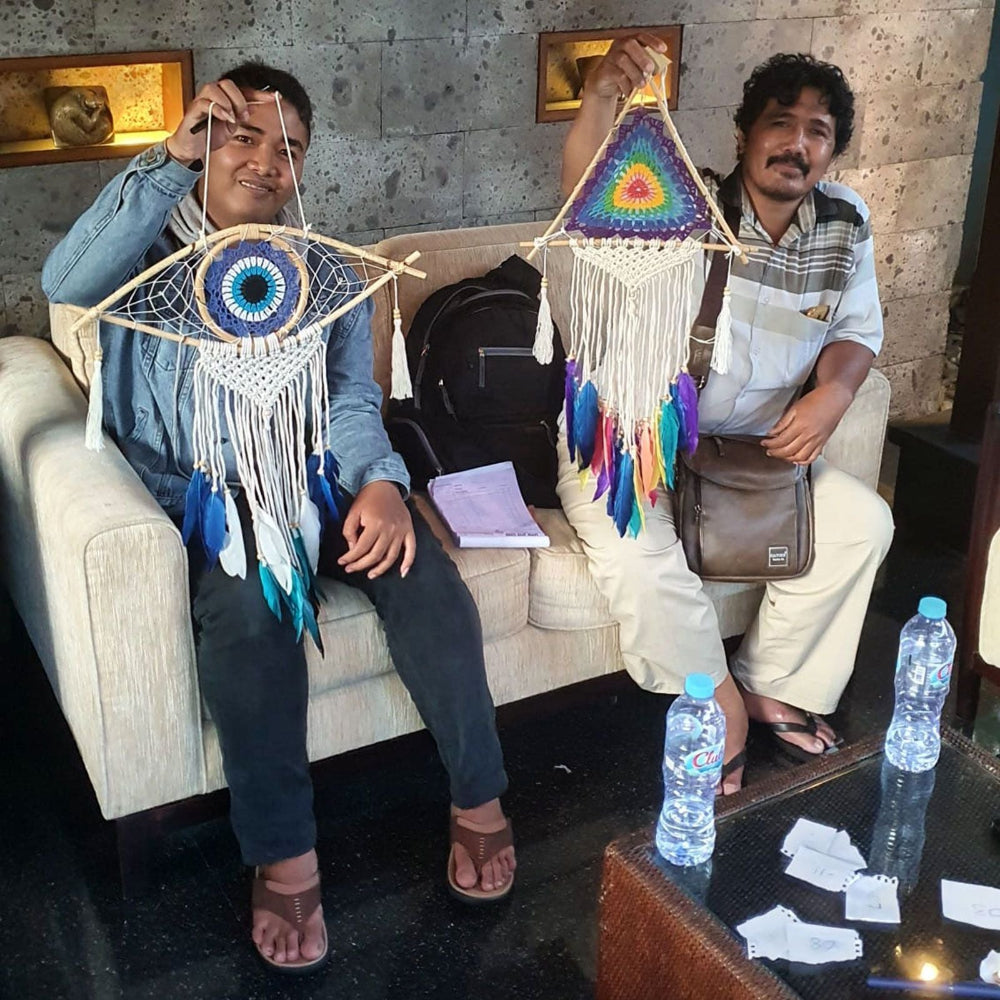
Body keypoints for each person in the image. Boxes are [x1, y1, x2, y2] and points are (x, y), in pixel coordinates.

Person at [42, 62, 515, 973]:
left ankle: (481, 802)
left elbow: (349, 398)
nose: (265, 161)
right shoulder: (142, 269)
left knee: (422, 579)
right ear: (207, 141)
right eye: (244, 136)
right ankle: (285, 857)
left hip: (319, 483)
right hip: (210, 505)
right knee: (251, 619)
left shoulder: (320, 269)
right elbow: (65, 283)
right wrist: (166, 160)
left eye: (288, 148)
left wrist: (380, 483)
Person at [560, 40, 894, 794]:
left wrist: (832, 395)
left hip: (750, 450)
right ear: (745, 135)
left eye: (818, 130)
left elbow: (857, 331)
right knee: (636, 554)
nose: (798, 143)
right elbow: (585, 190)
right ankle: (718, 708)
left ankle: (774, 680)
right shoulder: (686, 203)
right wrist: (600, 100)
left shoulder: (846, 222)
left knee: (862, 523)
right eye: (782, 122)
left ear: (831, 150)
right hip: (632, 439)